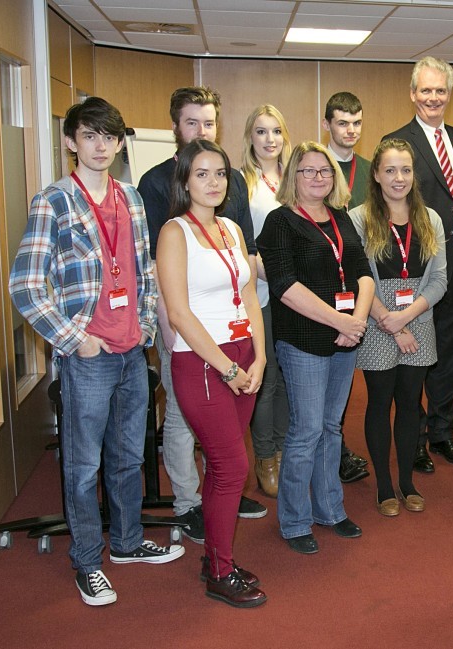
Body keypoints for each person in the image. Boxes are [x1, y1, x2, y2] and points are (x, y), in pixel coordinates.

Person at [9, 98, 184, 607]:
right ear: (71, 142)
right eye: (90, 135)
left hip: (133, 350)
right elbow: (25, 286)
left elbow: (144, 271)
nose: (101, 145)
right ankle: (88, 559)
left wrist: (148, 324)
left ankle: (127, 543)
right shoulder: (54, 201)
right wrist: (74, 339)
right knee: (83, 465)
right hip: (88, 355)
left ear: (119, 142)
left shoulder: (129, 197)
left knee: (129, 457)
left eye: (109, 136)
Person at [138, 86, 267, 541]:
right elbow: (164, 276)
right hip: (185, 330)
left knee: (227, 435)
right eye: (192, 122)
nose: (200, 130)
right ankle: (190, 502)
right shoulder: (157, 184)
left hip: (231, 325)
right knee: (179, 418)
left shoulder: (230, 188)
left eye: (208, 123)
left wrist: (256, 351)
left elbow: (245, 260)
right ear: (177, 126)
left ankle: (220, 490)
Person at [157, 139, 267, 608]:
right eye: (202, 174)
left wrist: (258, 358)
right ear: (184, 181)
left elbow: (248, 297)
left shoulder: (231, 230)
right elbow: (179, 314)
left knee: (224, 467)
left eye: (220, 173)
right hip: (204, 362)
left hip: (243, 356)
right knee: (232, 467)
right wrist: (228, 368)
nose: (213, 182)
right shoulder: (174, 232)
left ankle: (214, 557)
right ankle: (220, 571)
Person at [257, 141, 374, 554]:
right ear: (294, 177)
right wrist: (340, 320)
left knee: (330, 427)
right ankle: (294, 520)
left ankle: (330, 509)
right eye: (308, 171)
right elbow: (285, 287)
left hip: (345, 339)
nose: (318, 177)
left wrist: (356, 322)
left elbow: (362, 273)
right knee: (305, 431)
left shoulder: (341, 219)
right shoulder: (280, 222)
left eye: (325, 170)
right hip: (304, 340)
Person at [384, 57, 453, 474]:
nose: (433, 98)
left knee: (451, 352)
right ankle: (416, 438)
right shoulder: (397, 141)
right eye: (426, 90)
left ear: (449, 94)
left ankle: (443, 433)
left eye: (440, 90)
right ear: (412, 93)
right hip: (418, 269)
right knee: (417, 352)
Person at [348, 139, 446, 515]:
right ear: (376, 174)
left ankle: (407, 481)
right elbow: (358, 277)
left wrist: (405, 318)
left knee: (410, 404)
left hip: (417, 318)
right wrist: (387, 319)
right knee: (379, 402)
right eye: (390, 170)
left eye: (405, 170)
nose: (398, 178)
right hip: (375, 320)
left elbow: (439, 280)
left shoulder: (430, 219)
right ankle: (385, 487)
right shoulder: (359, 218)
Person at [321, 91, 371, 484]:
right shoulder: (313, 167)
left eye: (356, 123)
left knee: (347, 375)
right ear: (327, 125)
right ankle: (326, 451)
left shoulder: (370, 169)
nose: (350, 130)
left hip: (360, 280)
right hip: (321, 285)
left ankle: (336, 448)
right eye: (342, 122)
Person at [240, 104, 290, 499]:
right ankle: (266, 458)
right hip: (262, 292)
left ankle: (287, 448)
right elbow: (242, 242)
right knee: (269, 377)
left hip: (299, 295)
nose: (269, 139)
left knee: (293, 374)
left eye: (276, 131)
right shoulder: (241, 182)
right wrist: (276, 278)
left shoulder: (296, 176)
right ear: (250, 137)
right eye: (261, 131)